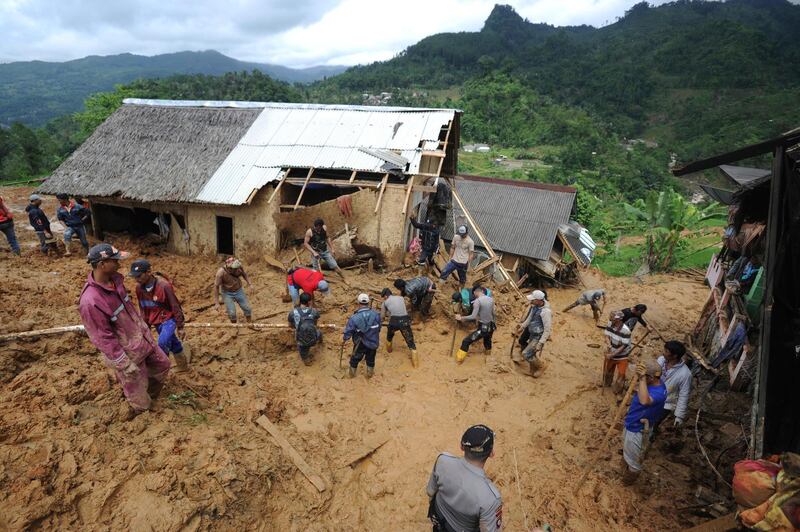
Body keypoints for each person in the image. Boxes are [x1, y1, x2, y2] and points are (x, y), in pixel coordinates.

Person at [78, 243, 171, 416]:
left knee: (163, 365)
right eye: (115, 260)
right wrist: (123, 363)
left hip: (142, 340)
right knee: (140, 401)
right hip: (128, 354)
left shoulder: (116, 281)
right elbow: (102, 338)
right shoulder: (91, 301)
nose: (119, 263)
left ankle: (150, 394)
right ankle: (141, 411)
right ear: (102, 264)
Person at [426, 424, 503, 531]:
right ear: (491, 453)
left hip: (438, 518)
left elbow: (430, 492)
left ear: (462, 446)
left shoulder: (443, 460)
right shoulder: (491, 498)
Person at [130, 259, 188, 373]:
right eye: (135, 277)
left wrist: (180, 326)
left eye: (139, 276)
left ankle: (162, 369)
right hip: (155, 321)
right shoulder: (139, 288)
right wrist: (144, 326)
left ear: (148, 272)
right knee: (173, 342)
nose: (137, 279)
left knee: (162, 342)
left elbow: (175, 305)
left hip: (168, 319)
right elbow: (143, 308)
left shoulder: (164, 285)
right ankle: (183, 365)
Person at [621, 360, 666, 484]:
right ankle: (624, 467)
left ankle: (628, 481)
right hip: (632, 422)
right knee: (626, 450)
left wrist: (641, 379)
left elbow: (645, 401)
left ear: (650, 378)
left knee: (634, 462)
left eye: (644, 376)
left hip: (638, 429)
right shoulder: (654, 383)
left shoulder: (659, 393)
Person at [343, 293, 382, 378]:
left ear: (358, 303)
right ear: (368, 302)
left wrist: (345, 338)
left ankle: (352, 376)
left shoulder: (354, 317)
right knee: (371, 359)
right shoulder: (376, 315)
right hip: (373, 342)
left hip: (360, 343)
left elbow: (348, 331)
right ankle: (369, 375)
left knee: (354, 359)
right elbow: (379, 328)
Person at [455, 286, 496, 363]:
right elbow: (494, 313)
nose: (474, 295)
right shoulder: (491, 299)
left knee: (466, 341)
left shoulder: (477, 301)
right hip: (491, 326)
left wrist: (461, 318)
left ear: (476, 292)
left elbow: (473, 316)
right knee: (487, 341)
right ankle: (488, 356)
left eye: (474, 293)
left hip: (483, 328)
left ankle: (458, 361)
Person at [516, 290, 552, 378]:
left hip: (538, 336)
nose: (531, 301)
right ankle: (532, 371)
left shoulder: (546, 312)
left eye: (533, 300)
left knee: (526, 353)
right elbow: (529, 318)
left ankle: (541, 366)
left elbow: (547, 329)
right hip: (532, 332)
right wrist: (522, 327)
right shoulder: (535, 307)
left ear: (539, 300)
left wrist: (541, 343)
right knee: (531, 353)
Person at [656, 340, 692, 428]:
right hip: (652, 397)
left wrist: (679, 416)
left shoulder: (685, 374)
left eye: (666, 351)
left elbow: (684, 395)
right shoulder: (661, 360)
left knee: (654, 423)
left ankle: (650, 435)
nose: (663, 353)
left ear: (675, 356)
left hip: (666, 403)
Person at [380, 287, 419, 368]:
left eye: (383, 297)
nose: (384, 298)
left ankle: (389, 350)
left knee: (389, 335)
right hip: (405, 320)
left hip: (394, 321)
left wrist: (384, 318)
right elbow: (400, 308)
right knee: (410, 341)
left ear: (386, 296)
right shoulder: (401, 298)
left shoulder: (384, 303)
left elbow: (382, 316)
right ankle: (416, 365)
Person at [214, 257, 253, 324]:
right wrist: (217, 303)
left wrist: (250, 284)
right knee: (232, 313)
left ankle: (249, 323)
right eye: (235, 269)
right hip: (227, 293)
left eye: (238, 268)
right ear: (229, 268)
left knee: (247, 308)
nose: (238, 270)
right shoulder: (220, 273)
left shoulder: (238, 266)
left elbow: (244, 274)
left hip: (238, 290)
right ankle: (234, 326)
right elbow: (216, 287)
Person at [287, 293, 322, 366]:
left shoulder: (293, 312)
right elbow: (315, 324)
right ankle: (320, 341)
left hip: (301, 340)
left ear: (300, 301)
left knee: (303, 351)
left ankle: (306, 360)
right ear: (309, 302)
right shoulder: (314, 311)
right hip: (314, 338)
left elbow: (290, 325)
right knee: (319, 332)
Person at [602, 310, 633, 392]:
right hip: (611, 351)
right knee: (608, 370)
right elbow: (607, 335)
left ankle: (617, 390)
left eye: (612, 319)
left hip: (622, 356)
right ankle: (606, 384)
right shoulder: (610, 324)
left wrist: (612, 355)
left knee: (621, 374)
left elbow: (623, 346)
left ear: (618, 320)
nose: (610, 320)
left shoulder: (626, 331)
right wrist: (608, 344)